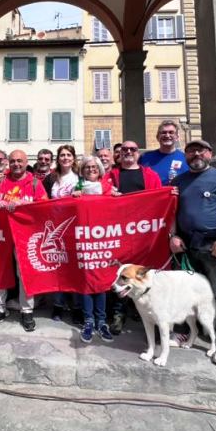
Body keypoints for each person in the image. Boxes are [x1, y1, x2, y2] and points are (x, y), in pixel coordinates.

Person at [169, 139, 216, 369]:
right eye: (191, 150)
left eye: (200, 149)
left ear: (210, 153)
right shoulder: (179, 180)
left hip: (214, 247)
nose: (196, 154)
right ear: (185, 155)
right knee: (183, 293)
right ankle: (183, 332)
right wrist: (172, 235)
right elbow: (171, 211)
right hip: (186, 246)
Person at [0, 149, 48, 332]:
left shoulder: (34, 182)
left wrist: (22, 204)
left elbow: (44, 203)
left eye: (20, 161)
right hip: (2, 234)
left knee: (24, 273)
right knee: (0, 271)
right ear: (8, 163)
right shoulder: (2, 180)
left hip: (25, 235)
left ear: (26, 162)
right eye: (12, 161)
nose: (16, 164)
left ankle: (26, 311)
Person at [105, 141, 162, 334]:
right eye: (124, 150)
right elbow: (100, 195)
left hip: (142, 233)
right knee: (120, 273)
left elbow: (159, 198)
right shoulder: (111, 175)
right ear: (119, 154)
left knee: (138, 274)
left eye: (132, 149)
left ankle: (141, 310)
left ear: (138, 153)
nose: (128, 152)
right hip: (118, 232)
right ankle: (118, 314)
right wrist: (108, 195)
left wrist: (171, 194)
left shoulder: (150, 175)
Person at [72, 155, 116, 343]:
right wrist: (72, 198)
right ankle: (88, 319)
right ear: (82, 170)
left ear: (99, 169)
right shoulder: (77, 188)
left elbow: (120, 208)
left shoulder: (108, 187)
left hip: (103, 239)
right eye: (87, 167)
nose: (91, 169)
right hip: (84, 241)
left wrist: (118, 198)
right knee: (86, 282)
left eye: (94, 167)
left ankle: (102, 320)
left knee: (102, 282)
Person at [44, 145, 83, 323]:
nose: (65, 158)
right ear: (58, 159)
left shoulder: (80, 178)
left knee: (74, 269)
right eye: (62, 155)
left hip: (75, 228)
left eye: (68, 155)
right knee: (58, 268)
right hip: (55, 229)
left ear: (73, 158)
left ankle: (76, 307)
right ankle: (58, 305)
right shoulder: (50, 178)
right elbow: (41, 200)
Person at [138, 120, 189, 185]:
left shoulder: (186, 158)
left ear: (177, 137)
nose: (167, 135)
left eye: (171, 132)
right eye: (163, 132)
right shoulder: (145, 158)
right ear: (157, 137)